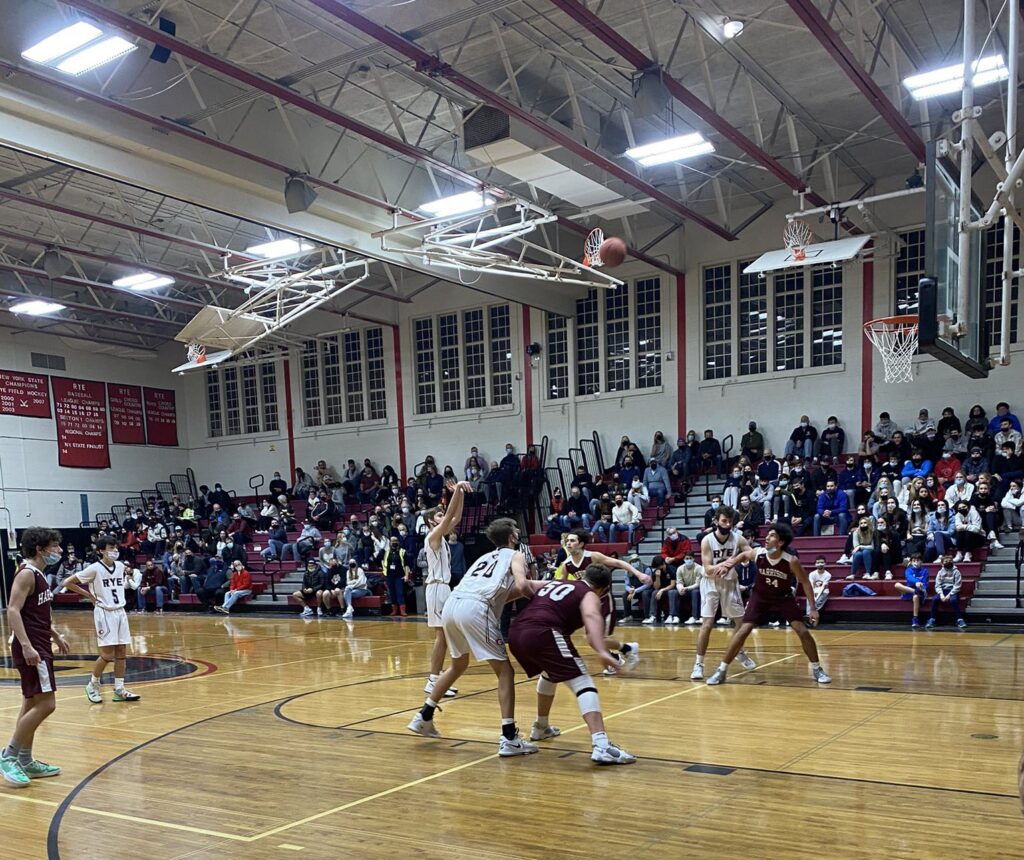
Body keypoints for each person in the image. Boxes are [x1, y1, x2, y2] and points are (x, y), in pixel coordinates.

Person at [407, 518, 544, 755]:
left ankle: (424, 716)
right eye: (517, 530)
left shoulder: (484, 557)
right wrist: (548, 598)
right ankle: (509, 737)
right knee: (505, 671)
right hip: (475, 608)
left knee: (458, 664)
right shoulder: (516, 555)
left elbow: (505, 594)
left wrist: (545, 584)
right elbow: (522, 586)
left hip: (453, 604)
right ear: (512, 537)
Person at [508, 565, 636, 765]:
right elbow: (592, 617)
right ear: (603, 589)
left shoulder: (557, 582)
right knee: (583, 682)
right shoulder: (590, 594)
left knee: (550, 673)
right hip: (543, 632)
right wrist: (602, 651)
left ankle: (541, 727)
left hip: (516, 632)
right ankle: (601, 744)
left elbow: (523, 587)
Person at [705, 522, 832, 685]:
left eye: (772, 535)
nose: (767, 537)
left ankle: (817, 669)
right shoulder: (759, 553)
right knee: (743, 630)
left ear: (780, 543)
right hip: (760, 595)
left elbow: (806, 583)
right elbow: (743, 556)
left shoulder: (791, 561)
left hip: (783, 596)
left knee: (802, 630)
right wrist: (729, 565)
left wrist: (813, 609)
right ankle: (721, 670)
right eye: (768, 534)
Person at [2, 528, 71, 787]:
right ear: (40, 549)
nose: (60, 550)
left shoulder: (38, 574)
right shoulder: (27, 574)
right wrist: (28, 646)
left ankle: (26, 760)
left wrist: (54, 635)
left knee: (30, 704)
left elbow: (36, 611)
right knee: (47, 704)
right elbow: (13, 610)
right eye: (55, 546)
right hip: (32, 647)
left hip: (40, 642)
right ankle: (9, 756)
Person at [61, 536, 141, 705]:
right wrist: (89, 595)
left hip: (120, 611)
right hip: (104, 613)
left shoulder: (120, 566)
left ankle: (119, 689)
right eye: (111, 548)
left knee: (121, 653)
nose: (115, 551)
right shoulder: (94, 569)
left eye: (116, 547)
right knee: (106, 654)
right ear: (101, 551)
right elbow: (67, 582)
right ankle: (92, 685)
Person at [553, 530, 648, 671]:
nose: (569, 543)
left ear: (581, 544)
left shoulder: (593, 556)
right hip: (588, 604)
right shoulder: (566, 565)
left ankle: (627, 649)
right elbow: (562, 584)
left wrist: (639, 574)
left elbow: (618, 563)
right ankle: (618, 655)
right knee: (591, 640)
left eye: (572, 540)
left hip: (603, 600)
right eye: (567, 541)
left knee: (600, 638)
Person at [690, 506, 758, 682]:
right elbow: (707, 567)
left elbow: (749, 552)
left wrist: (750, 555)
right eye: (724, 521)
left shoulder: (737, 538)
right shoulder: (707, 541)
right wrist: (725, 565)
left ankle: (739, 651)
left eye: (730, 522)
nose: (727, 525)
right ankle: (698, 664)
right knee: (707, 623)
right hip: (710, 582)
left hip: (730, 582)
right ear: (716, 521)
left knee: (741, 623)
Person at [423, 481, 473, 699]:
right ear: (429, 521)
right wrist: (458, 489)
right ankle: (433, 679)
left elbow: (457, 517)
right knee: (441, 636)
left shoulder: (442, 537)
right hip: (435, 589)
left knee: (445, 636)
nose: (443, 517)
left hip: (444, 588)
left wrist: (460, 493)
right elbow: (451, 512)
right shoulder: (433, 536)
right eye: (438, 515)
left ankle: (436, 678)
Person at [927, 554, 968, 630]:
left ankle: (959, 619)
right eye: (946, 561)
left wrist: (949, 595)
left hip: (953, 591)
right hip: (942, 591)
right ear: (942, 563)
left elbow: (957, 586)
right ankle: (932, 619)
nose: (948, 562)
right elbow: (937, 585)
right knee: (935, 599)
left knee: (953, 600)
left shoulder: (957, 572)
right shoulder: (940, 572)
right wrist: (941, 595)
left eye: (950, 561)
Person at [895, 551, 929, 628]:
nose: (916, 562)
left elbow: (925, 583)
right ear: (911, 562)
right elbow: (909, 578)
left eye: (918, 560)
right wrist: (916, 582)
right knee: (896, 584)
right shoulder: (908, 570)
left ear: (922, 561)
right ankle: (915, 592)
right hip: (909, 590)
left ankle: (915, 619)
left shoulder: (925, 571)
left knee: (915, 597)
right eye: (914, 560)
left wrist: (920, 586)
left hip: (921, 590)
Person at [675, 550, 703, 624]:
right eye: (686, 558)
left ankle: (694, 617)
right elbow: (679, 582)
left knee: (695, 592)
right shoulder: (680, 568)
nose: (688, 560)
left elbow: (698, 584)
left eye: (690, 558)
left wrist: (687, 588)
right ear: (684, 559)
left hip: (696, 589)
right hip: (685, 589)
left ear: (693, 559)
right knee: (674, 592)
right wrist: (680, 588)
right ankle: (675, 616)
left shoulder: (699, 568)